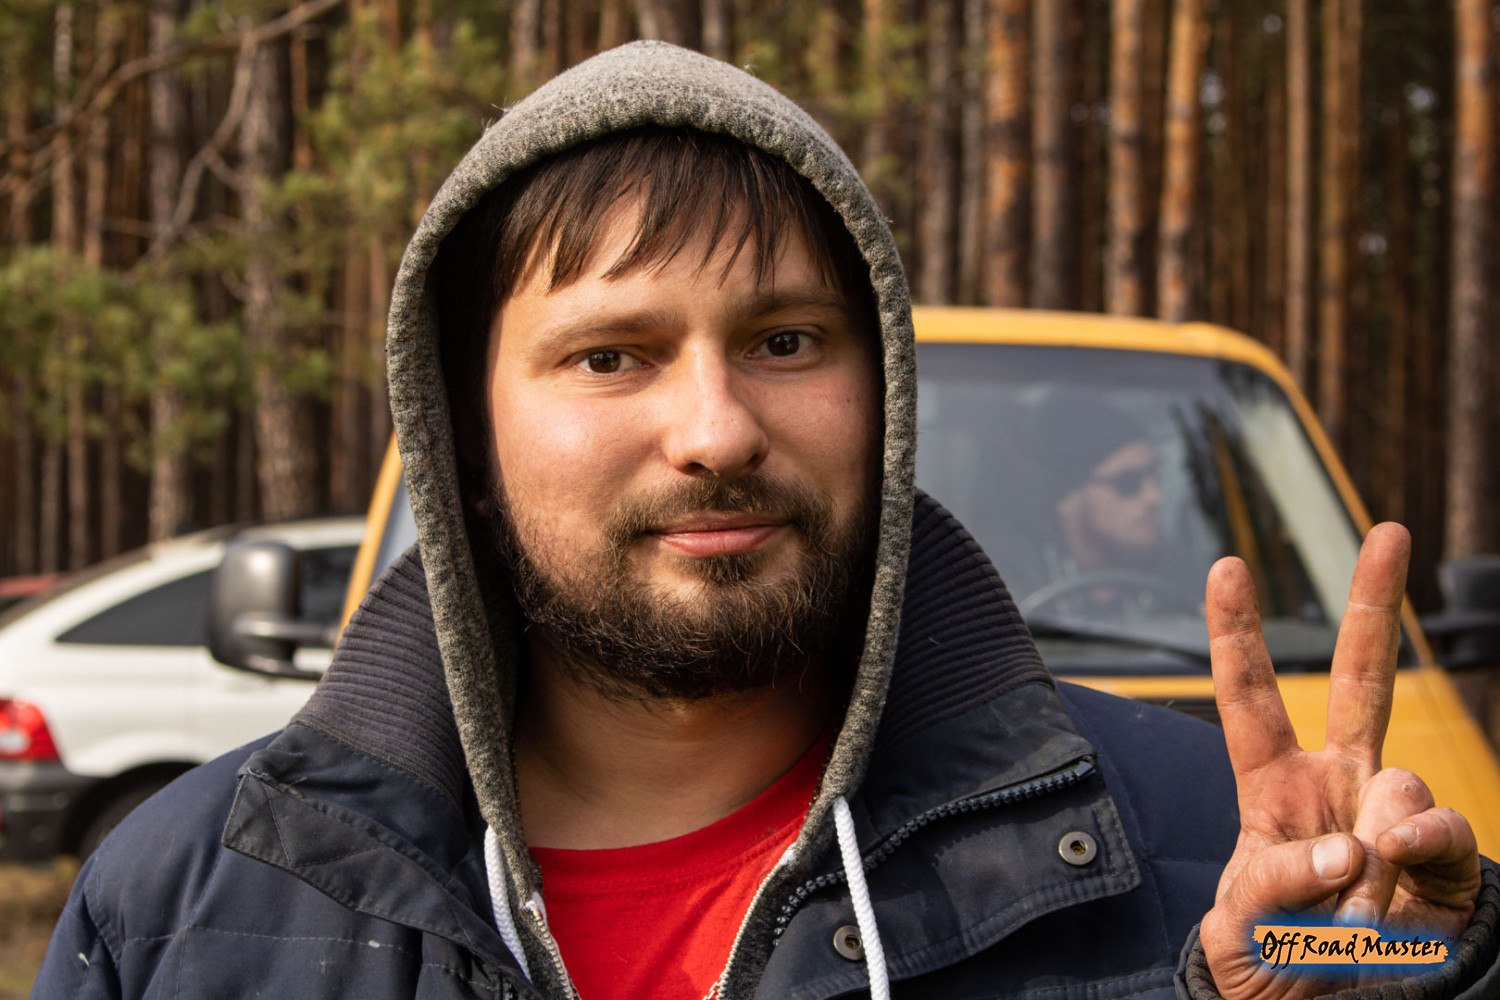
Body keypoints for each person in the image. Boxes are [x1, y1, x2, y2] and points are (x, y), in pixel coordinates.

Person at [33, 42, 1499, 1000]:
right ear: (464, 437)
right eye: (612, 356)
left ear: (885, 398)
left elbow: (1354, 960)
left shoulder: (1212, 846)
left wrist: (1420, 971)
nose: (719, 429)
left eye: (787, 341)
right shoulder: (181, 912)